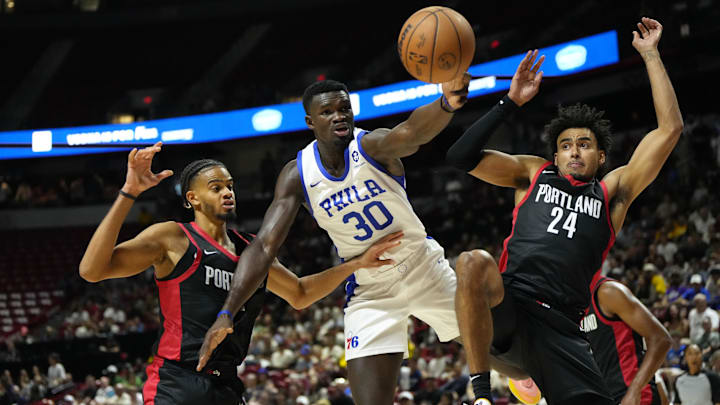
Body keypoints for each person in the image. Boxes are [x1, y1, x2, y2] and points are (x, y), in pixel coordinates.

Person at [196, 70, 471, 405]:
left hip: (422, 266)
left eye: (344, 109)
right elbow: (265, 246)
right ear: (311, 122)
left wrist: (448, 102)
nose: (339, 116)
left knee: (500, 355)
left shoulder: (370, 145)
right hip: (372, 287)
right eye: (327, 112)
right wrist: (227, 311)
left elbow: (411, 133)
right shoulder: (298, 174)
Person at [446, 18, 683, 405]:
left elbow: (669, 129)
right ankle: (481, 396)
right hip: (511, 306)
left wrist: (651, 54)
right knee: (472, 261)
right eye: (567, 144)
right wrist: (511, 101)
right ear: (555, 155)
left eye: (585, 144)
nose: (574, 150)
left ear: (601, 156)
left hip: (562, 327)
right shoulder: (532, 173)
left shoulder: (613, 193)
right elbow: (459, 157)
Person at [78, 143, 402, 405]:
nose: (227, 192)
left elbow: (300, 294)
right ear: (192, 198)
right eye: (216, 187)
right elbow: (92, 270)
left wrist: (356, 263)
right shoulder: (173, 237)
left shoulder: (252, 251)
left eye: (229, 186)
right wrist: (129, 193)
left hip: (227, 385)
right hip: (177, 382)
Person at [583, 276, 672, 405]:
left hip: (634, 397)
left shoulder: (607, 292)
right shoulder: (572, 307)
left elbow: (661, 339)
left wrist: (634, 392)